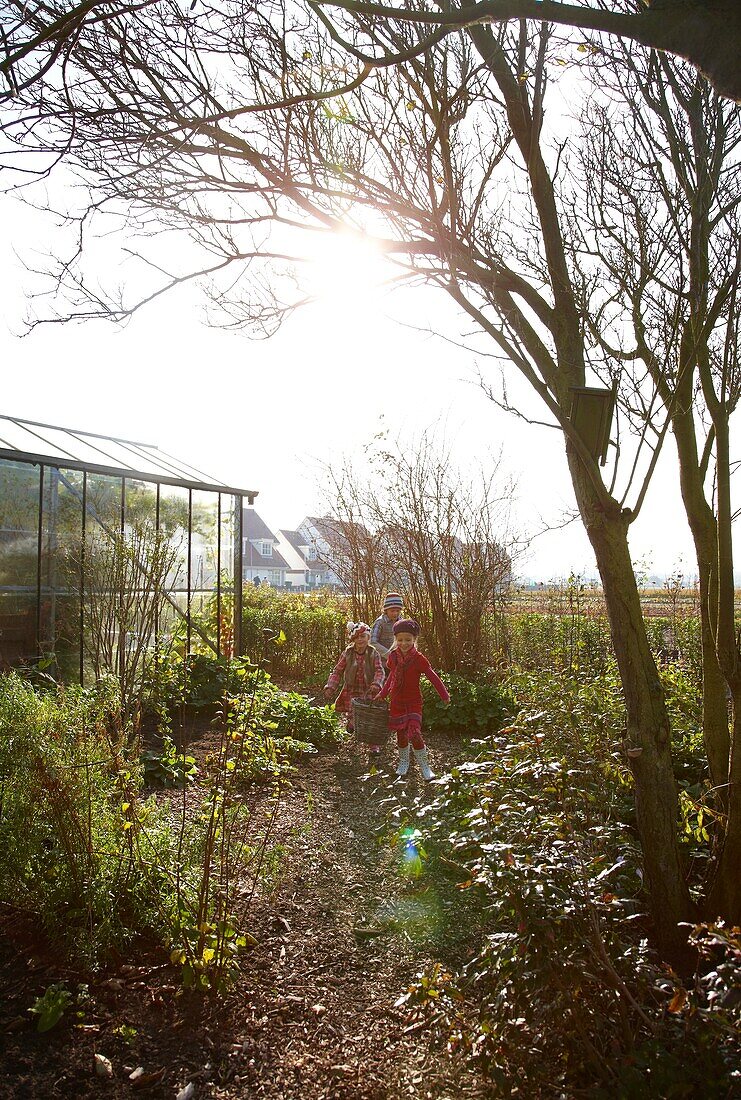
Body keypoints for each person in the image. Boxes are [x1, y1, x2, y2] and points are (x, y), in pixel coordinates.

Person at [377, 619, 450, 780]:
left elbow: (433, 677)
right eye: (400, 640)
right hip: (397, 701)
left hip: (413, 702)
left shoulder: (418, 659)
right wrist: (382, 694)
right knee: (401, 734)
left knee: (415, 733)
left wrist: (444, 695)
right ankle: (404, 762)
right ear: (396, 640)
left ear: (414, 640)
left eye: (408, 640)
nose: (404, 643)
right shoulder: (394, 657)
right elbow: (391, 678)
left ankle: (424, 766)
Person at [324, 622, 385, 756]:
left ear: (368, 637)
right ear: (353, 639)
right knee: (353, 712)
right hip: (352, 689)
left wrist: (376, 683)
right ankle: (351, 723)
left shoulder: (373, 653)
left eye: (363, 636)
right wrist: (331, 686)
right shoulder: (348, 653)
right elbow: (338, 670)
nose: (360, 639)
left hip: (368, 689)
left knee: (370, 717)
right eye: (357, 637)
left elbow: (379, 670)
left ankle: (373, 746)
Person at [370, 592, 404, 668]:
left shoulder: (401, 622)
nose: (395, 613)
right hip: (382, 663)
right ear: (386, 610)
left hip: (398, 662)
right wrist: (389, 654)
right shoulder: (380, 623)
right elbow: (373, 642)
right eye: (392, 611)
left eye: (397, 611)